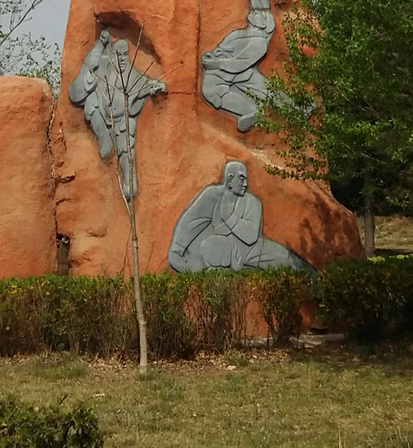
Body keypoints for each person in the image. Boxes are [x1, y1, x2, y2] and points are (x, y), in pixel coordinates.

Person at [68, 32, 166, 199]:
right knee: (91, 104)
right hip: (103, 113)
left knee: (126, 148)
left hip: (122, 120)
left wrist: (155, 87)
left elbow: (145, 83)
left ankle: (129, 179)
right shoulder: (104, 69)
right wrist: (99, 45)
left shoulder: (132, 75)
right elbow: (88, 74)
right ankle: (104, 138)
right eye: (118, 55)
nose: (121, 59)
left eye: (125, 55)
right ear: (112, 55)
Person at [167, 160, 307, 272]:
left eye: (246, 179)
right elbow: (191, 222)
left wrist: (230, 218)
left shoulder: (253, 202)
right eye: (241, 179)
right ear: (230, 179)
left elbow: (251, 237)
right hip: (224, 251)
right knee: (211, 246)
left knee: (285, 261)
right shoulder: (213, 195)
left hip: (251, 251)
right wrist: (176, 251)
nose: (245, 184)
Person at [201, 0, 276, 131]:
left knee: (271, 94)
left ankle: (252, 112)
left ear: (265, 21)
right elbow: (223, 47)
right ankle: (250, 111)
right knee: (210, 90)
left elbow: (239, 63)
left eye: (256, 13)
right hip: (225, 71)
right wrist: (212, 55)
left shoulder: (260, 42)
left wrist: (217, 63)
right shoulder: (241, 33)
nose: (251, 15)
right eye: (252, 11)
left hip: (238, 73)